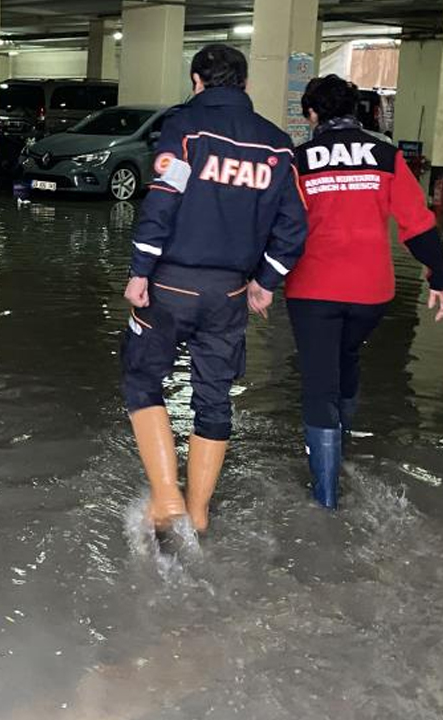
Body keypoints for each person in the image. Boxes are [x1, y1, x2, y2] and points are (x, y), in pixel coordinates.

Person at [122, 44, 307, 538]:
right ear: (245, 85)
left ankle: (166, 499)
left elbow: (162, 200)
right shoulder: (277, 144)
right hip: (229, 293)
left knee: (142, 382)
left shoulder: (186, 128)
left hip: (171, 283)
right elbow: (294, 228)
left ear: (196, 81)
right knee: (214, 398)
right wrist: (266, 283)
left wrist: (140, 269)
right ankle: (199, 515)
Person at [287, 75, 443, 509]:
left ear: (311, 114)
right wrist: (439, 276)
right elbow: (416, 223)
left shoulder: (299, 160)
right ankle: (341, 454)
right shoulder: (385, 154)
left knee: (318, 383)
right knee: (346, 357)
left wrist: (257, 278)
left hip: (313, 288)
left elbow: (280, 227)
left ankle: (325, 498)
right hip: (370, 292)